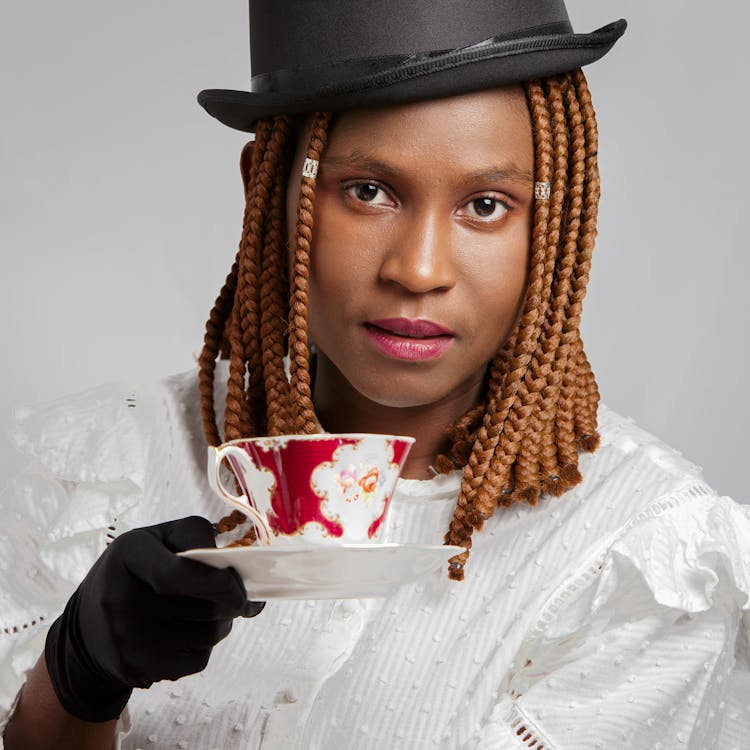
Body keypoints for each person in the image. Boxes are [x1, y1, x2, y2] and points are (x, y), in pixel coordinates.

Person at [2, 1, 748, 748]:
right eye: (368, 191)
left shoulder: (643, 566)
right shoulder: (92, 472)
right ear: (269, 185)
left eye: (486, 205)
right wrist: (76, 682)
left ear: (552, 224)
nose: (418, 270)